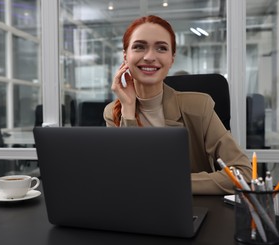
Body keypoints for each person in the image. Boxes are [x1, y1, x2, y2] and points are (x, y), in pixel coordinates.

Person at [103, 15, 252, 195]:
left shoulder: (199, 107)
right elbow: (125, 178)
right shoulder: (113, 112)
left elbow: (244, 173)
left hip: (193, 211)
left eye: (161, 48)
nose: (150, 56)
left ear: (172, 59)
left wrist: (171, 183)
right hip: (137, 212)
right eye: (139, 47)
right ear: (126, 56)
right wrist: (128, 109)